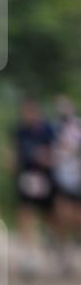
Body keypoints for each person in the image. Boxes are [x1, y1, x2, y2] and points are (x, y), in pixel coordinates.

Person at [12, 99, 56, 278]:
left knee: (51, 216)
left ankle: (53, 242)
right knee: (26, 213)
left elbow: (57, 152)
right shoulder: (19, 131)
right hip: (27, 176)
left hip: (46, 177)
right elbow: (13, 152)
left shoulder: (48, 130)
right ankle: (29, 255)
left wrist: (47, 158)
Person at [51, 95, 81, 274]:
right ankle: (64, 251)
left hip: (78, 178)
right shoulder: (53, 129)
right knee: (63, 216)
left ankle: (72, 244)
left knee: (77, 218)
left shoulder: (77, 126)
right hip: (61, 178)